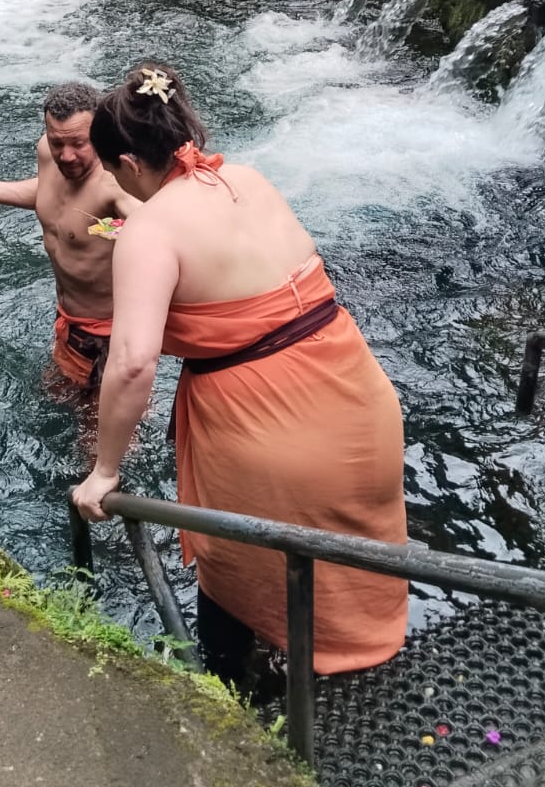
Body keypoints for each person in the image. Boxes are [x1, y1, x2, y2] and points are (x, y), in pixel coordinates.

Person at [71, 61, 408, 678]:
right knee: (351, 555)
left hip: (269, 430)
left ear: (129, 164)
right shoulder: (248, 179)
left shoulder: (149, 230)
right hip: (359, 400)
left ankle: (234, 696)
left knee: (238, 563)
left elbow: (133, 363)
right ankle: (354, 661)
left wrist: (105, 472)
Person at [0, 82, 133, 390]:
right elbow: (50, 196)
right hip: (68, 321)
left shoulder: (115, 186)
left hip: (108, 335)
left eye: (79, 144)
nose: (66, 156)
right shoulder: (47, 151)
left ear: (99, 135)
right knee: (55, 395)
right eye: (58, 143)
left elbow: (162, 228)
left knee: (99, 433)